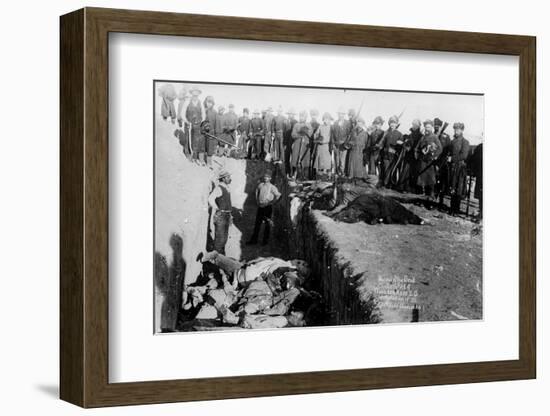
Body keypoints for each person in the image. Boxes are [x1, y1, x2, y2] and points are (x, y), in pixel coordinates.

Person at [247, 171, 281, 245]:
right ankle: (254, 240)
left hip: (267, 207)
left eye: (267, 177)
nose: (266, 178)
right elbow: (257, 191)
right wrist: (257, 200)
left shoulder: (272, 187)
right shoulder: (261, 185)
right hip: (260, 207)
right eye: (265, 177)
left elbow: (278, 195)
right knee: (257, 224)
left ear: (270, 178)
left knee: (267, 224)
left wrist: (272, 202)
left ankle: (265, 241)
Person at [445, 122, 471, 216]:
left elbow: (464, 155)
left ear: (462, 130)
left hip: (460, 169)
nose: (456, 131)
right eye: (455, 129)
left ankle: (456, 209)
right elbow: (449, 152)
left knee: (458, 188)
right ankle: (452, 208)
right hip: (452, 168)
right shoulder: (452, 142)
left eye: (458, 129)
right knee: (452, 187)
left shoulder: (465, 142)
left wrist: (452, 159)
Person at [415, 119, 442, 205]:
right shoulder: (422, 137)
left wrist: (434, 157)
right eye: (426, 127)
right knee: (422, 182)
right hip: (422, 162)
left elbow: (440, 149)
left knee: (430, 182)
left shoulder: (434, 137)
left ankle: (430, 201)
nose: (427, 129)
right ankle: (423, 200)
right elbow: (416, 148)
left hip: (430, 163)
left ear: (432, 128)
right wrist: (418, 156)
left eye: (429, 127)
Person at [208, 169, 233, 254]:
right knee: (219, 240)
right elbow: (210, 199)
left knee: (224, 239)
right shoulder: (219, 188)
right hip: (221, 216)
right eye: (228, 177)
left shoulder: (227, 188)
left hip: (227, 215)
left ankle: (222, 258)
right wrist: (217, 208)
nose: (230, 178)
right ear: (223, 178)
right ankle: (215, 261)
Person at [379, 115, 403, 187]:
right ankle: (385, 184)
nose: (392, 124)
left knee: (393, 170)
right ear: (389, 124)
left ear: (396, 124)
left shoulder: (399, 134)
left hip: (394, 156)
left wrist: (400, 144)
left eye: (394, 123)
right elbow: (382, 143)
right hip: (386, 155)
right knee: (386, 169)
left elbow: (401, 145)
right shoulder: (386, 133)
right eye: (391, 123)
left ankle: (392, 185)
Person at [400, 118, 423, 193]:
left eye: (416, 125)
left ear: (419, 126)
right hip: (409, 157)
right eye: (413, 124)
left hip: (416, 158)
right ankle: (404, 187)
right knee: (406, 172)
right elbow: (407, 145)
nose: (414, 126)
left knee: (414, 173)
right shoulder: (410, 135)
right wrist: (405, 144)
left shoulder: (421, 136)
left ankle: (412, 189)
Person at [185, 86, 205, 164]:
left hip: (198, 124)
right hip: (189, 124)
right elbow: (182, 114)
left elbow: (203, 114)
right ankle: (189, 154)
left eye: (196, 95)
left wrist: (201, 122)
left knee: (196, 140)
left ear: (198, 94)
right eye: (194, 94)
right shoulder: (187, 102)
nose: (195, 96)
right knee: (188, 139)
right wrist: (187, 121)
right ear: (192, 94)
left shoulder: (200, 103)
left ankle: (195, 157)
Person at [290, 111, 312, 179]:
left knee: (305, 161)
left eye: (303, 116)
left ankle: (304, 176)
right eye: (300, 116)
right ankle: (294, 175)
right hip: (297, 144)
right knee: (295, 159)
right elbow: (293, 135)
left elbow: (311, 134)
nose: (301, 118)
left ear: (305, 117)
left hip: (305, 145)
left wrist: (306, 132)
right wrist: (299, 134)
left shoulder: (308, 125)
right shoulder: (296, 125)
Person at [347, 117, 369, 182]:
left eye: (361, 123)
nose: (359, 124)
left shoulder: (365, 134)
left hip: (360, 151)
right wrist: (351, 143)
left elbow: (366, 143)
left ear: (363, 124)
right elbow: (349, 140)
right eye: (358, 123)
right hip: (353, 150)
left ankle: (359, 176)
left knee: (360, 164)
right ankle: (351, 175)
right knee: (352, 163)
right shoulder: (353, 132)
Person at [312, 112, 333, 178]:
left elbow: (331, 137)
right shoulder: (320, 126)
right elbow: (315, 134)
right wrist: (317, 138)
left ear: (330, 120)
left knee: (327, 161)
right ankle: (320, 176)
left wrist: (326, 141)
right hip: (320, 146)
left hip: (326, 146)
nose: (326, 121)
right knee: (320, 161)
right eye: (325, 119)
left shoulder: (331, 127)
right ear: (323, 119)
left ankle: (328, 176)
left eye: (328, 119)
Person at [330, 107, 350, 176]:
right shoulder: (335, 123)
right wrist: (333, 144)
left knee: (342, 162)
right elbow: (332, 134)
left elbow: (349, 135)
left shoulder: (347, 123)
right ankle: (337, 175)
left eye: (342, 114)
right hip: (336, 145)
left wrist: (346, 144)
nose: (340, 115)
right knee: (337, 161)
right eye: (339, 114)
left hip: (343, 146)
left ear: (344, 115)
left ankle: (342, 175)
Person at [469, 140, 483, 220]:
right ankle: (481, 212)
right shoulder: (480, 147)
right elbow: (473, 159)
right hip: (480, 175)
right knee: (481, 195)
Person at [202, 94, 217, 165]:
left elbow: (216, 123)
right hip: (203, 133)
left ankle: (209, 162)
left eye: (211, 102)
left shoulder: (214, 112)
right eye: (208, 102)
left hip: (211, 133)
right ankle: (202, 160)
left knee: (210, 148)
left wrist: (214, 133)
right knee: (203, 147)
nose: (209, 104)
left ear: (213, 103)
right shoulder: (203, 111)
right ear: (205, 102)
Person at [283, 109, 298, 173]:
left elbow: (295, 133)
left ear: (293, 115)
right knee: (286, 158)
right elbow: (285, 132)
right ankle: (287, 172)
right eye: (289, 114)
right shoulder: (285, 121)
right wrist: (284, 143)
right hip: (287, 142)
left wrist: (294, 143)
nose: (290, 115)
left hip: (292, 142)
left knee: (294, 158)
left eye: (291, 114)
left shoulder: (295, 122)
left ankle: (294, 172)